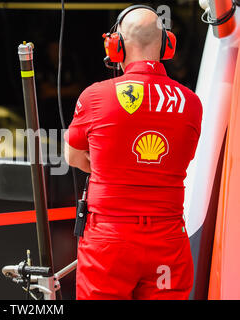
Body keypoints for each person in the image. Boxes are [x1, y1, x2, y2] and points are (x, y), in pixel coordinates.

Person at [64, 6, 202, 300]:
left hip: (110, 239)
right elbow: (183, 159)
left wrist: (111, 168)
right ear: (167, 45)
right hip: (168, 236)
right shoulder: (191, 102)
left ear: (115, 46)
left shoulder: (95, 95)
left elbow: (73, 157)